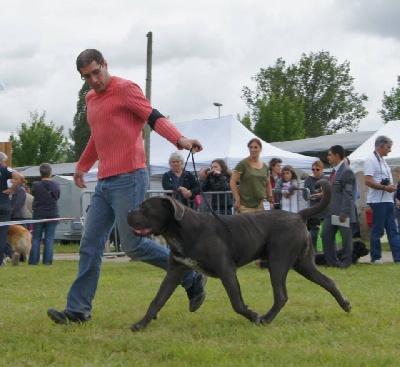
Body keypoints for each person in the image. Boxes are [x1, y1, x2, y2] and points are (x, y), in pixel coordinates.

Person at [47, 49, 206, 325]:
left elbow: (154, 117)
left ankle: (191, 274)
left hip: (130, 177)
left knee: (133, 245)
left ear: (105, 64)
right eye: (87, 77)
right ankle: (78, 310)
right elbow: (97, 138)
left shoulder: (126, 89)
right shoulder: (90, 99)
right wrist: (83, 166)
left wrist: (179, 140)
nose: (93, 80)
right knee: (90, 245)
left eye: (96, 72)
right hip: (105, 182)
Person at [364, 135, 400, 263]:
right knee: (378, 230)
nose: (390, 150)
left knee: (393, 230)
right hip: (378, 201)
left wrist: (391, 187)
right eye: (389, 147)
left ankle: (398, 257)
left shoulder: (383, 160)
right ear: (381, 146)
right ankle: (376, 257)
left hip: (388, 200)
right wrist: (385, 187)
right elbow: (367, 180)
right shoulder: (371, 160)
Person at [321, 145, 356, 268]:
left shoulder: (347, 172)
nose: (328, 157)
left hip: (342, 213)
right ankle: (332, 262)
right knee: (325, 235)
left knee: (346, 239)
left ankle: (346, 262)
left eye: (330, 154)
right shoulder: (334, 172)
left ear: (337, 155)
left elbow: (348, 194)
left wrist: (344, 213)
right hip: (331, 212)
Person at [230, 138, 273, 213]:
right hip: (245, 205)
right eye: (251, 147)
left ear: (260, 149)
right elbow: (232, 182)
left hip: (261, 204)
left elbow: (268, 184)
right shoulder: (242, 164)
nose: (253, 150)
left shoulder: (265, 166)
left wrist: (270, 199)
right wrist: (237, 199)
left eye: (255, 147)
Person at [29, 163, 60, 265]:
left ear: (40, 173)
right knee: (49, 238)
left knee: (36, 238)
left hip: (38, 213)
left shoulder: (35, 185)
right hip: (52, 213)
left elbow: (33, 194)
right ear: (50, 173)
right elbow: (57, 196)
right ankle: (47, 262)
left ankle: (33, 261)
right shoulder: (55, 185)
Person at [0, 152, 24, 266]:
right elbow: (20, 177)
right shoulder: (5, 170)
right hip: (4, 204)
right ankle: (11, 253)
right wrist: (12, 190)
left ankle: (10, 253)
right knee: (2, 233)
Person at [303, 160, 326, 252]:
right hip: (314, 211)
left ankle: (330, 253)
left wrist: (317, 195)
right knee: (313, 235)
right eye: (313, 169)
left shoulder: (326, 179)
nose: (315, 171)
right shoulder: (309, 180)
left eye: (317, 169)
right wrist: (320, 195)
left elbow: (328, 194)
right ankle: (313, 253)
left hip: (325, 210)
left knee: (327, 233)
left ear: (322, 169)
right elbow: (306, 195)